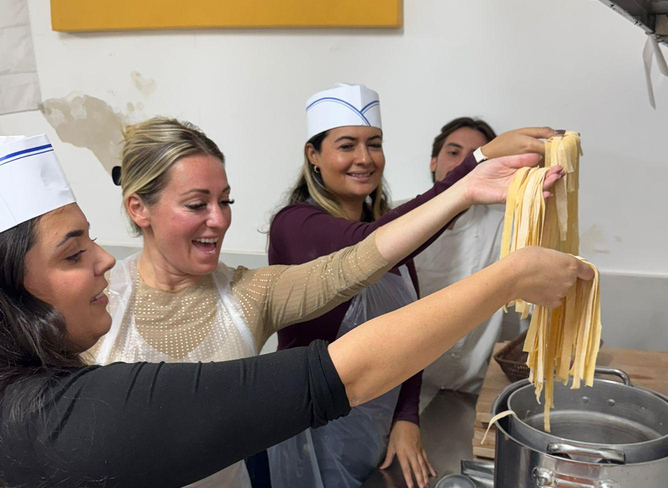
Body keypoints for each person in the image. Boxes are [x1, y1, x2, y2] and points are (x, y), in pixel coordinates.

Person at [0, 134, 593, 487]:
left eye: (225, 201)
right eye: (74, 252)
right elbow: (341, 373)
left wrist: (464, 186)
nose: (219, 219)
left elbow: (356, 262)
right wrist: (506, 277)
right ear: (140, 209)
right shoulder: (64, 396)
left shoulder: (248, 294)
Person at [268, 84, 559, 488]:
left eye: (375, 143)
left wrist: (406, 416)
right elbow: (365, 247)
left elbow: (410, 333)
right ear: (313, 155)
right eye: (346, 145)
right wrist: (475, 165)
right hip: (311, 426)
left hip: (374, 427)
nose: (364, 159)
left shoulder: (396, 234)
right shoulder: (295, 224)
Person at [415, 117, 515, 408]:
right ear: (433, 161)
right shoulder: (392, 217)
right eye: (453, 152)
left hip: (468, 392)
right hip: (393, 391)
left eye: (477, 157)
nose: (462, 165)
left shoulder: (507, 227)